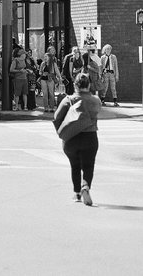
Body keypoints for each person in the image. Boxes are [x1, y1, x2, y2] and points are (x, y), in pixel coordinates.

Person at [53, 73, 101, 206]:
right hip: (90, 137)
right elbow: (97, 111)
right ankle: (85, 186)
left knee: (75, 165)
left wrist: (63, 129)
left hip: (71, 138)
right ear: (89, 85)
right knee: (88, 165)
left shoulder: (69, 100)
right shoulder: (95, 100)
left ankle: (77, 193)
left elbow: (57, 117)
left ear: (75, 85)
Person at [39, 47, 62, 112]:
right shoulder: (42, 64)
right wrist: (43, 73)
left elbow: (57, 71)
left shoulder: (53, 63)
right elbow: (39, 72)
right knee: (45, 93)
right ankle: (46, 107)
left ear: (49, 57)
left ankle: (52, 107)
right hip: (43, 79)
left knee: (51, 93)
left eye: (47, 57)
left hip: (50, 79)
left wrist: (60, 77)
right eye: (44, 57)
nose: (45, 58)